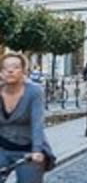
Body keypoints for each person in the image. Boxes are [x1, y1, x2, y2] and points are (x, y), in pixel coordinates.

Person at [0, 53, 55, 183]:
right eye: (5, 68)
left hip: (28, 150)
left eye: (15, 67)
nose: (10, 71)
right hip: (2, 148)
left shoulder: (34, 92)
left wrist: (37, 150)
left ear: (24, 71)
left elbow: (37, 123)